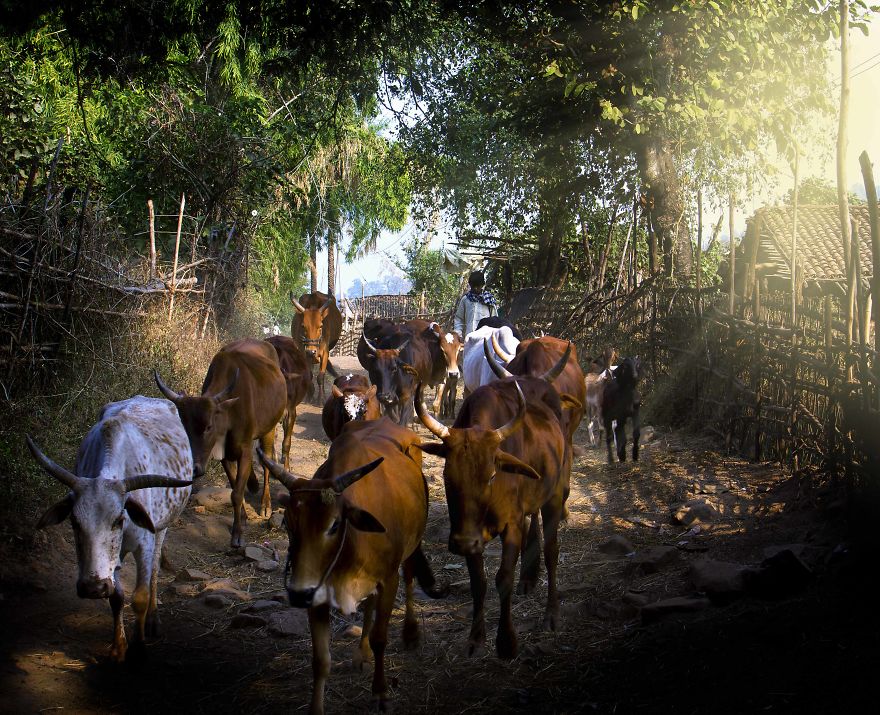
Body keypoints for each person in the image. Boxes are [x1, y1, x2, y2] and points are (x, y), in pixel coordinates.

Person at [454, 270, 497, 338]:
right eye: (473, 287)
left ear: (482, 285)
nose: (475, 289)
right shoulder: (465, 299)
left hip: (485, 338)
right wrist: (458, 334)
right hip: (469, 338)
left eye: (478, 286)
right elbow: (459, 319)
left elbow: (495, 319)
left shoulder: (489, 299)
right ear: (470, 285)